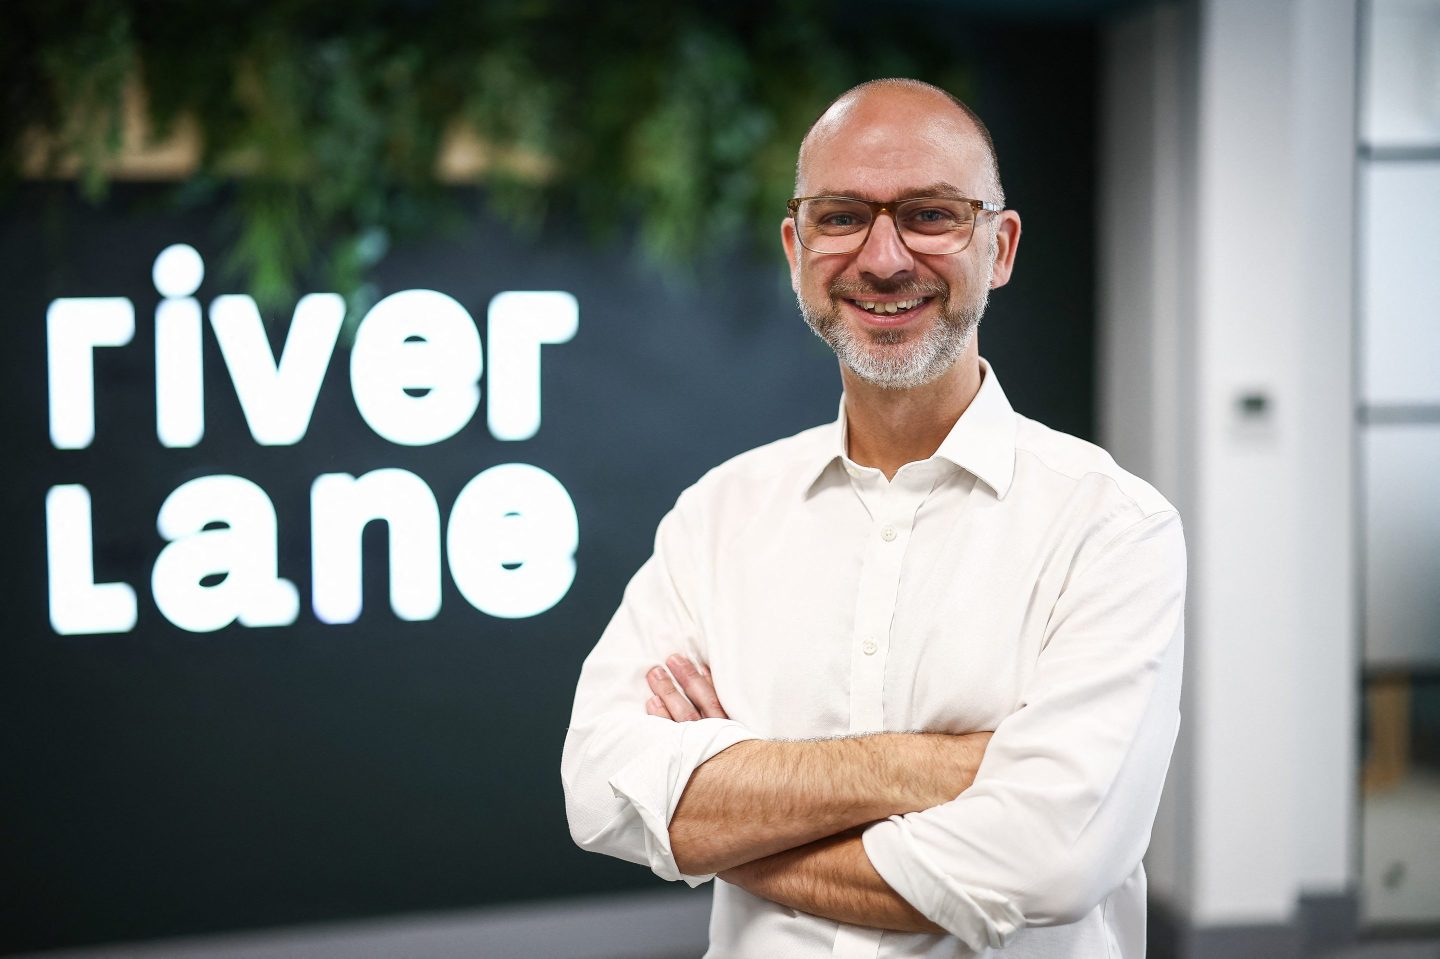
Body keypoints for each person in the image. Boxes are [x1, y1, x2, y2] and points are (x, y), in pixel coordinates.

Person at [561, 77, 1185, 958]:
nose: (884, 258)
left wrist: (727, 820)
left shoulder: (1112, 527)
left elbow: (1050, 861)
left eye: (931, 214)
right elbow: (597, 787)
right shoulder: (719, 515)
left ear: (1000, 247)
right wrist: (932, 766)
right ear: (795, 245)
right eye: (842, 215)